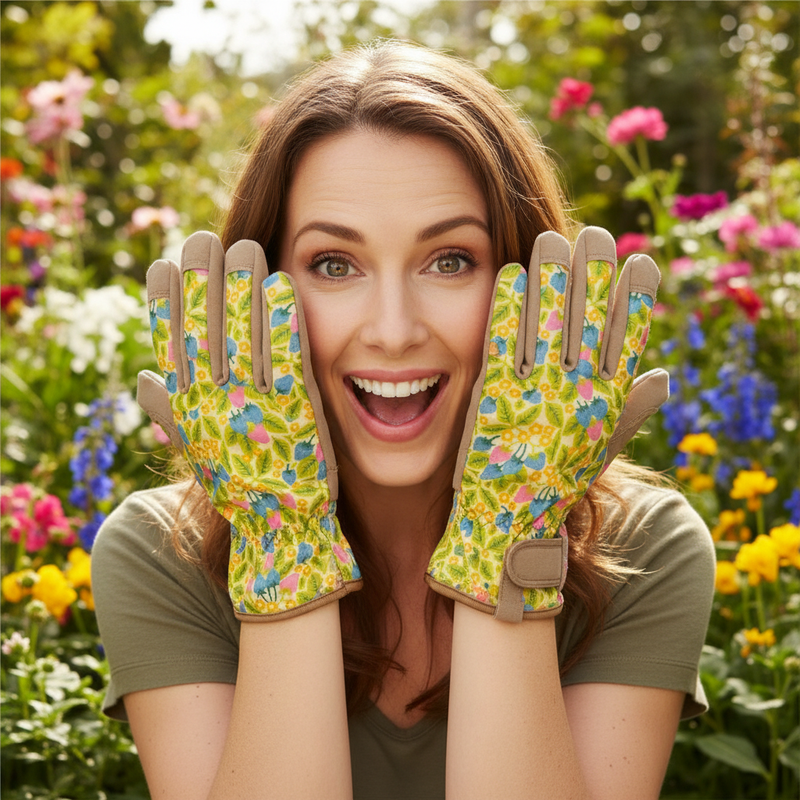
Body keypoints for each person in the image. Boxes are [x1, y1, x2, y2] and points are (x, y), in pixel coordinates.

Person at [92, 41, 715, 800]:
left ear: (537, 295)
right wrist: (280, 531)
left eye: (450, 260)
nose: (392, 329)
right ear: (257, 298)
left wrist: (511, 538)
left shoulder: (646, 548)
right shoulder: (165, 556)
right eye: (333, 265)